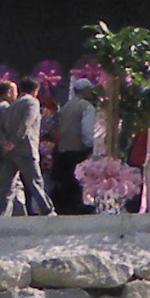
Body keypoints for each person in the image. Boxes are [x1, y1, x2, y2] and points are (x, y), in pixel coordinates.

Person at [0, 77, 48, 216]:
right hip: (26, 149)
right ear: (35, 90)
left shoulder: (12, 105)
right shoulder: (32, 102)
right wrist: (14, 141)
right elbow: (26, 123)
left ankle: (3, 213)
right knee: (35, 181)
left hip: (9, 153)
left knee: (8, 186)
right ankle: (47, 209)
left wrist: (4, 142)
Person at [47, 76, 99, 214]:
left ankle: (65, 207)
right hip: (77, 149)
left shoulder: (65, 107)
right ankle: (78, 206)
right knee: (77, 180)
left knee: (66, 181)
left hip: (63, 149)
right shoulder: (86, 107)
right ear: (86, 91)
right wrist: (90, 146)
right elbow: (87, 130)